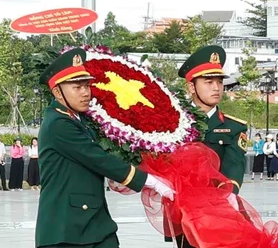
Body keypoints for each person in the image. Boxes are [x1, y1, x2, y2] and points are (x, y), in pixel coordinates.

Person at [34, 49, 174, 248]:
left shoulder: (77, 119)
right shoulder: (58, 123)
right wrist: (150, 181)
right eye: (77, 87)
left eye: (86, 86)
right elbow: (97, 158)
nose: (85, 93)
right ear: (57, 92)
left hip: (92, 223)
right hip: (66, 229)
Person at [180, 47, 249, 196]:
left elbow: (234, 165)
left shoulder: (234, 127)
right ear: (192, 87)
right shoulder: (175, 122)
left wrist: (228, 194)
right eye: (209, 82)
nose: (216, 88)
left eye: (219, 82)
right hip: (178, 201)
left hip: (217, 202)